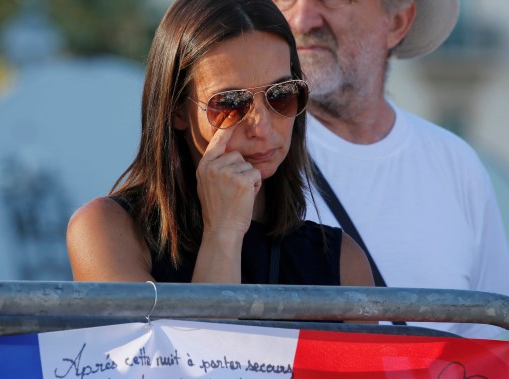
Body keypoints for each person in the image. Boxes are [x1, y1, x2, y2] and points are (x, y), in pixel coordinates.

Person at [66, 0, 373, 288]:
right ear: (176, 110)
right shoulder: (106, 231)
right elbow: (202, 347)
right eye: (229, 103)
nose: (261, 127)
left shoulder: (342, 262)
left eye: (281, 94)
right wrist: (223, 233)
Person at [274, 0, 509, 337]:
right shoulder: (256, 154)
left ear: (397, 23)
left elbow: (494, 349)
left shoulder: (456, 166)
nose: (302, 18)